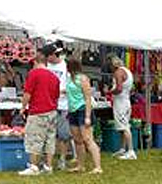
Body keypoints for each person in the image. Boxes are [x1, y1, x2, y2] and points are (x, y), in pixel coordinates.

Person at [18, 46, 60, 175]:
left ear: (35, 62)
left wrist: (23, 107)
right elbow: (56, 96)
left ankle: (34, 166)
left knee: (34, 139)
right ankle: (48, 166)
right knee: (50, 140)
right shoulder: (54, 77)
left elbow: (27, 93)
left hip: (38, 111)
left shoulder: (34, 74)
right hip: (52, 111)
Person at [66, 57, 102, 174]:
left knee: (88, 139)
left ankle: (98, 167)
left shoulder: (83, 78)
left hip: (82, 109)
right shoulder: (69, 78)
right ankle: (80, 165)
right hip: (72, 110)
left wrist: (87, 116)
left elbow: (87, 98)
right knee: (77, 140)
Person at [43, 43, 75, 170]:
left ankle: (62, 159)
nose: (46, 59)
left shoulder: (65, 66)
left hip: (63, 104)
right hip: (49, 103)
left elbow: (72, 85)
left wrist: (62, 91)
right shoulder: (46, 66)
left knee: (63, 134)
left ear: (52, 55)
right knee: (49, 133)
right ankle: (49, 160)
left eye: (47, 56)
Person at [108, 55, 137, 160]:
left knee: (124, 127)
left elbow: (119, 89)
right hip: (126, 100)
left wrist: (110, 91)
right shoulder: (127, 71)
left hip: (120, 102)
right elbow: (131, 89)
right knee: (123, 126)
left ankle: (131, 151)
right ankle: (123, 148)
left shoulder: (118, 72)